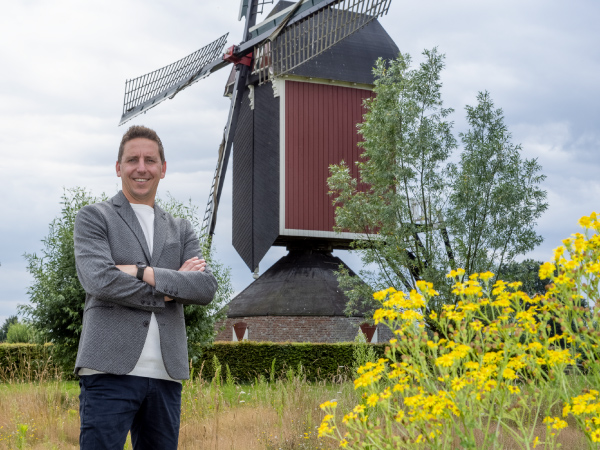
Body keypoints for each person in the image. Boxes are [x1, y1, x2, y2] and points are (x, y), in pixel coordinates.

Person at [73, 125, 218, 449]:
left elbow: (205, 288)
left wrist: (140, 271)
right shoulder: (94, 218)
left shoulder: (181, 229)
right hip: (108, 370)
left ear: (163, 169)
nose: (141, 167)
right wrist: (172, 287)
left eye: (150, 160)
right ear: (118, 167)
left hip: (166, 376)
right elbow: (100, 280)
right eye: (132, 159)